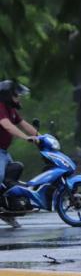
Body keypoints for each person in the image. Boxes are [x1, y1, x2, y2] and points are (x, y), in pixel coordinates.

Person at [0, 80, 39, 228]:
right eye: (17, 95)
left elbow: (24, 124)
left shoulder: (11, 110)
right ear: (7, 95)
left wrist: (42, 138)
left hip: (3, 152)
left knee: (12, 179)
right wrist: (26, 138)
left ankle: (7, 212)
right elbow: (7, 126)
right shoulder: (0, 107)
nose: (19, 98)